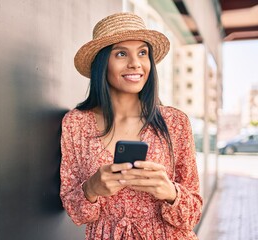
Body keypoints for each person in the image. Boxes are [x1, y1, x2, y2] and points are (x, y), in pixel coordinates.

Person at [60, 12, 203, 239]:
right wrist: (92, 188)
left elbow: (193, 215)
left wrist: (170, 192)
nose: (135, 63)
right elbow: (76, 213)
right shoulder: (76, 123)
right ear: (102, 62)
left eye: (143, 53)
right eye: (121, 53)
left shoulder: (175, 122)